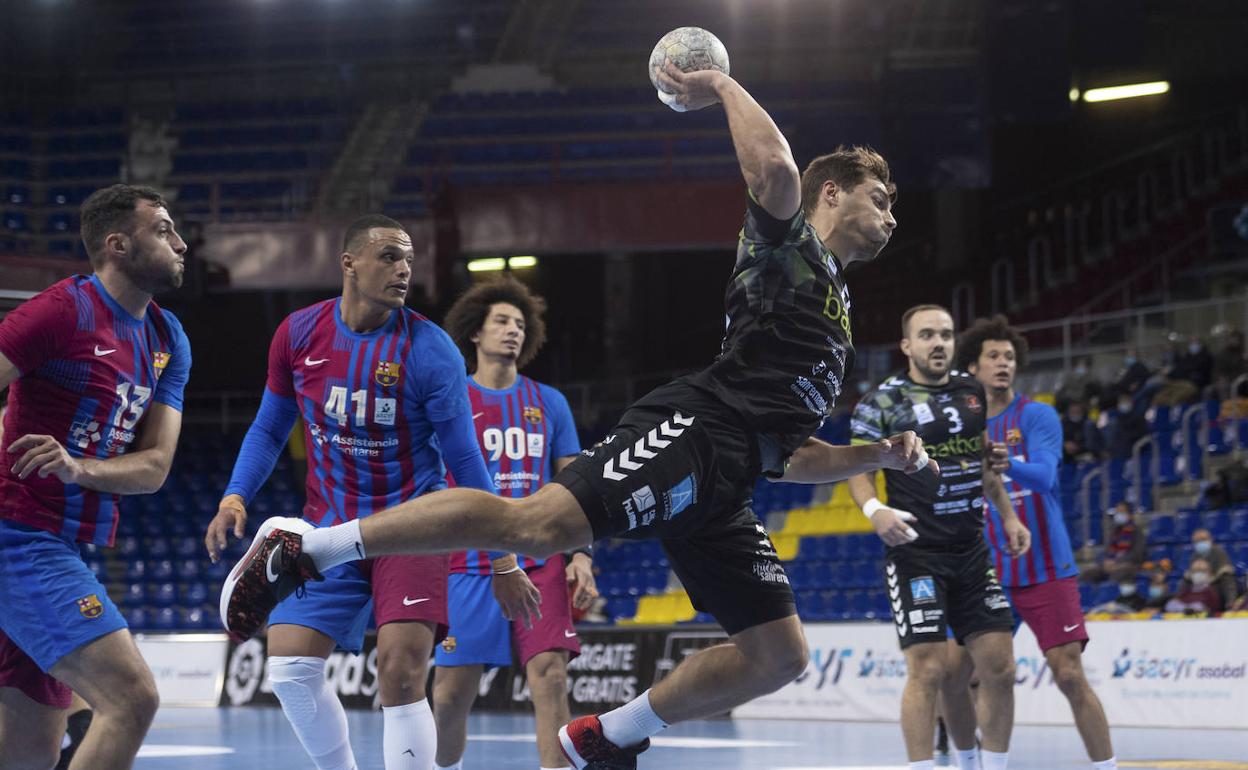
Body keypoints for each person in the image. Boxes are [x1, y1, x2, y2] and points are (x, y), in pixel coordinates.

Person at [222, 63, 936, 770]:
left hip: (736, 476)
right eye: (882, 197)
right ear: (833, 193)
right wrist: (719, 82)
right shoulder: (791, 248)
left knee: (780, 656)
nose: (893, 215)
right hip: (696, 431)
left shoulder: (836, 308)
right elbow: (777, 170)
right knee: (536, 525)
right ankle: (305, 551)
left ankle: (606, 735)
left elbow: (792, 453)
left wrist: (880, 456)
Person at [204, 214, 501, 770]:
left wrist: (502, 556)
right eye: (389, 255)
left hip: (413, 530)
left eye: (409, 258)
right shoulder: (298, 333)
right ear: (349, 263)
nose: (404, 268)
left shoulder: (433, 351)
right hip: (328, 533)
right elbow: (270, 426)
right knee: (290, 672)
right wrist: (235, 495)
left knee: (401, 672)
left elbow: (464, 459)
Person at [0, 184, 191, 770]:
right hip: (19, 536)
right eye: (162, 230)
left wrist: (78, 467)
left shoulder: (166, 338)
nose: (181, 242)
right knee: (132, 700)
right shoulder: (63, 310)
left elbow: (155, 468)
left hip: (66, 541)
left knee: (28, 753)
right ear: (117, 245)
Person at [848, 304, 1029, 770]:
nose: (938, 343)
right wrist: (876, 509)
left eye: (946, 335)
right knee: (928, 669)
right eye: (927, 335)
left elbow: (982, 462)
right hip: (916, 553)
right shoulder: (882, 401)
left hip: (972, 551)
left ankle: (985, 766)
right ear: (907, 345)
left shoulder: (972, 391)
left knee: (1001, 669)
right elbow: (856, 468)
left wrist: (1008, 516)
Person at [432, 277, 596, 770]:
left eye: (521, 325)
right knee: (450, 695)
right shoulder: (450, 399)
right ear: (476, 335)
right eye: (502, 321)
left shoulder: (550, 403)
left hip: (539, 556)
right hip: (467, 561)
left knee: (550, 676)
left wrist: (582, 554)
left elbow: (575, 485)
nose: (513, 331)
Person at [959, 315, 1118, 770]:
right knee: (969, 676)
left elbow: (1047, 477)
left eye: (1009, 357)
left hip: (1048, 570)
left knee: (1069, 675)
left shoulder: (1036, 415)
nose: (1003, 363)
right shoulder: (961, 425)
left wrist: (1009, 464)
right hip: (986, 574)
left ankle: (1106, 767)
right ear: (974, 367)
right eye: (993, 356)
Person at [1080, 503, 1146, 585]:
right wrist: (1104, 562)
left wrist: (1117, 562)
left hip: (1128, 564)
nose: (1118, 514)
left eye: (1121, 511)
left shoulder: (1137, 532)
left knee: (1118, 574)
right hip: (1110, 564)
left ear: (1129, 515)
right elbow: (1106, 551)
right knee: (1088, 574)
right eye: (1117, 511)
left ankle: (1108, 596)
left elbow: (1137, 553)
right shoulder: (1114, 532)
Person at [1186, 528, 1237, 610]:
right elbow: (1190, 574)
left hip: (1215, 585)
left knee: (1227, 578)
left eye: (1203, 539)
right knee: (1186, 581)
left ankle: (1230, 603)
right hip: (1199, 585)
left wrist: (1231, 600)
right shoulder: (1194, 556)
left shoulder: (1219, 553)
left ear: (1210, 539)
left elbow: (1225, 573)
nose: (1200, 543)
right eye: (1197, 541)